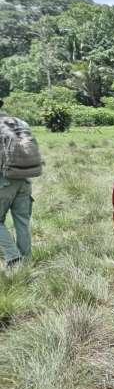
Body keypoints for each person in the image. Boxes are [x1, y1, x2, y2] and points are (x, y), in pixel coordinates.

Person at [0, 99, 43, 268]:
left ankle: (13, 257)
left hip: (3, 181)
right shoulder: (19, 122)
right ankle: (26, 262)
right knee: (22, 223)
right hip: (25, 180)